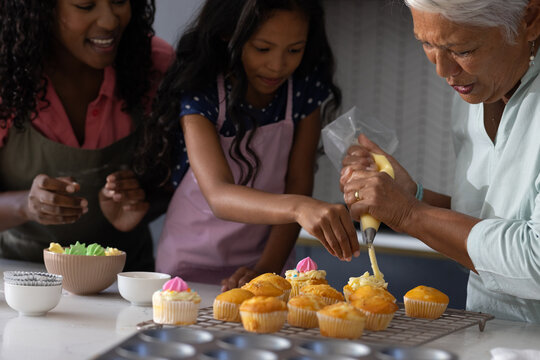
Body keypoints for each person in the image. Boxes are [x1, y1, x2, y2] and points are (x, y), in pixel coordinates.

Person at [136, 0, 359, 290]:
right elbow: (218, 195)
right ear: (228, 35)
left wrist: (267, 267)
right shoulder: (201, 93)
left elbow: (298, 181)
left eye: (294, 50)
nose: (278, 65)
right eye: (262, 49)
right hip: (189, 263)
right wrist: (299, 207)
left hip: (266, 256)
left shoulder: (302, 88)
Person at [340, 0, 540, 322]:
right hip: (490, 331)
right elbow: (483, 234)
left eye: (462, 50)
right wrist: (412, 197)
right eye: (427, 44)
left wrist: (409, 213)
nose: (442, 70)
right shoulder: (477, 92)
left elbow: (535, 262)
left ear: (530, 19)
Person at [0, 0, 174, 271]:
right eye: (85, 5)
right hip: (18, 282)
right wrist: (25, 205)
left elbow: (187, 183)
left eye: (119, 1)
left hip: (125, 284)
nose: (110, 21)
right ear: (39, 10)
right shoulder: (5, 71)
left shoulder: (155, 66)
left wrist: (142, 203)